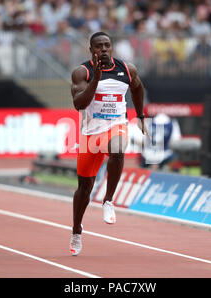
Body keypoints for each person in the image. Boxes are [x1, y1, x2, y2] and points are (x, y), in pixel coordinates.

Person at [69, 31, 148, 256]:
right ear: (91, 50)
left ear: (112, 47)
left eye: (107, 45)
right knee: (84, 188)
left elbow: (138, 88)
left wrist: (140, 115)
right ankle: (76, 229)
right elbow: (79, 104)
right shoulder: (81, 72)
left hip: (116, 126)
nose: (103, 49)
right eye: (99, 46)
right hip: (90, 134)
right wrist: (97, 76)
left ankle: (108, 200)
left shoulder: (127, 69)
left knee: (118, 149)